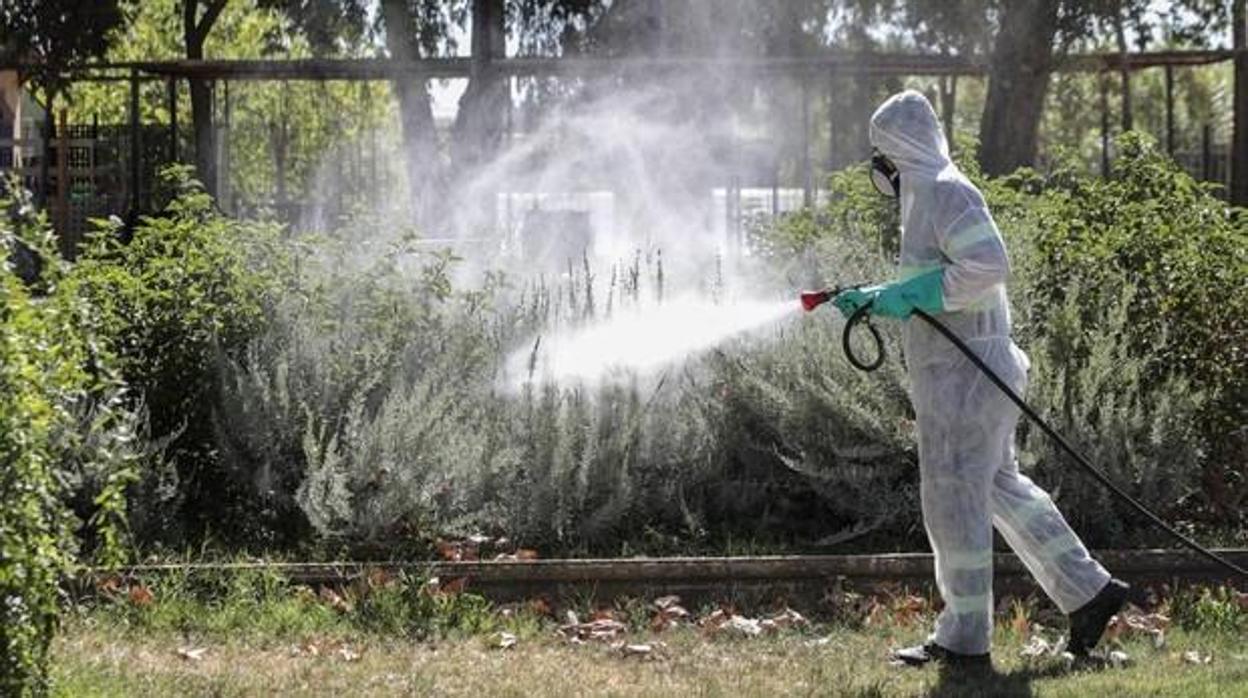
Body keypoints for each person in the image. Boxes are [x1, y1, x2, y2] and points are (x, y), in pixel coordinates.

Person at [832, 90, 1128, 667]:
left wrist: (905, 295)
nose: (878, 166)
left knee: (954, 499)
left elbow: (989, 265)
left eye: (882, 152)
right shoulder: (926, 196)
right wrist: (882, 296)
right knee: (997, 487)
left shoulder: (946, 191)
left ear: (903, 147)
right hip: (963, 372)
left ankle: (964, 641)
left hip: (966, 375)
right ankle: (1090, 591)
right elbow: (940, 275)